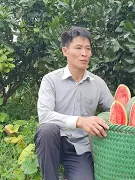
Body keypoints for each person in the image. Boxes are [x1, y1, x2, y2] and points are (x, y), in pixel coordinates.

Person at [34, 26, 114, 180]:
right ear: (65, 51)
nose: (84, 53)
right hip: (54, 142)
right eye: (78, 48)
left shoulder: (98, 83)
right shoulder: (51, 80)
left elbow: (115, 110)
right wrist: (79, 121)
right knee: (47, 130)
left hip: (80, 147)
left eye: (88, 49)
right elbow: (44, 115)